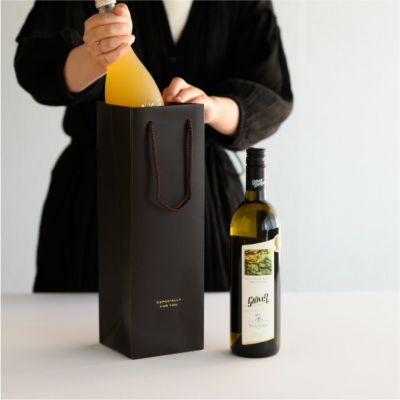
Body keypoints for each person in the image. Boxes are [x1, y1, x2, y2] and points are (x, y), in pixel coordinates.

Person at [14, 0, 293, 292]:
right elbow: (36, 65)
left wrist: (210, 108)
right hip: (96, 196)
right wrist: (95, 57)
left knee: (199, 315)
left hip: (202, 196)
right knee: (76, 317)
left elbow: (270, 92)